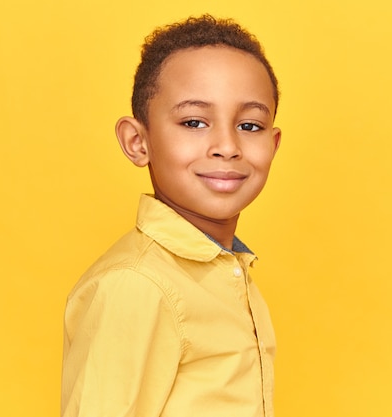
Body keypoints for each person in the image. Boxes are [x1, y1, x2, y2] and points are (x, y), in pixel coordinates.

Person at [61, 14, 282, 417]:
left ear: (274, 143)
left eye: (250, 125)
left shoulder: (230, 272)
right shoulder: (136, 285)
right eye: (194, 122)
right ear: (137, 141)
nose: (227, 146)